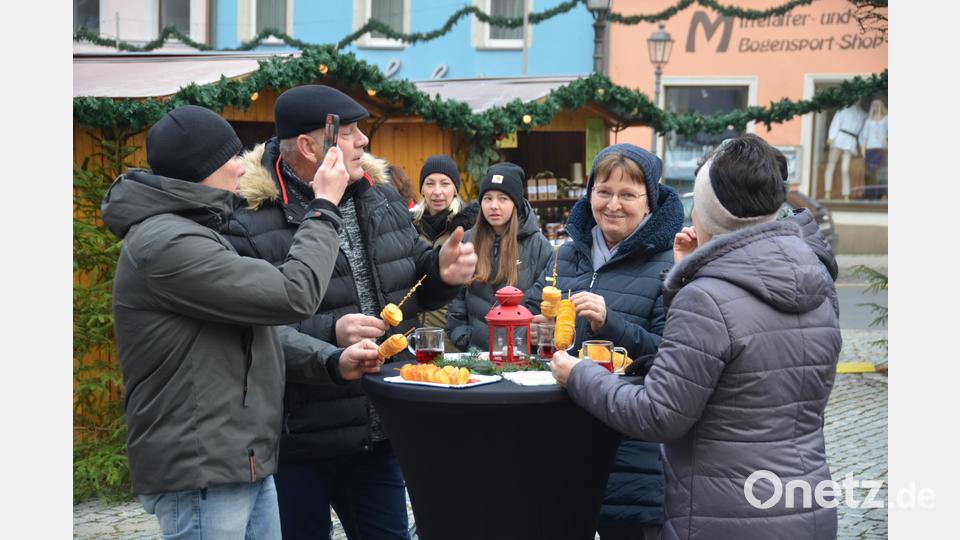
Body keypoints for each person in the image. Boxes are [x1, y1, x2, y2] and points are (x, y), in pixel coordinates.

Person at [102, 105, 384, 539]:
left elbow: (253, 333)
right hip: (201, 470)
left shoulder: (196, 231)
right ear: (201, 169)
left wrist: (331, 361)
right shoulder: (168, 242)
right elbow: (294, 295)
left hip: (238, 459)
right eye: (230, 157)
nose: (242, 167)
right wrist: (324, 204)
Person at [551, 134, 842, 540]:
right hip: (804, 502)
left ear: (708, 211)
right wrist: (688, 275)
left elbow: (659, 414)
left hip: (726, 514)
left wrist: (579, 374)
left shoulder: (706, 297)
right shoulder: (816, 281)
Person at [223, 85, 477, 540]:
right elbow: (250, 326)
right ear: (309, 146)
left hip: (380, 426)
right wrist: (329, 331)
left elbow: (412, 285)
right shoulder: (248, 218)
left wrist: (441, 272)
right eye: (352, 132)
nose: (364, 142)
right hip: (297, 436)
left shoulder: (377, 197)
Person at [525, 144, 683, 539]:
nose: (613, 204)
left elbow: (671, 357)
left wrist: (610, 324)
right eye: (603, 192)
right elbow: (528, 315)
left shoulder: (671, 267)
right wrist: (531, 330)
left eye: (628, 195)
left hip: (628, 446)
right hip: (560, 438)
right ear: (589, 193)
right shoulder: (565, 255)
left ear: (650, 203)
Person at [446, 162, 552, 351]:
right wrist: (465, 339)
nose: (494, 206)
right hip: (476, 356)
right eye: (488, 198)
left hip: (522, 355)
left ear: (516, 203)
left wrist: (527, 339)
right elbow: (456, 299)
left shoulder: (538, 245)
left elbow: (543, 302)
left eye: (503, 198)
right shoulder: (468, 240)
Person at [412, 154, 480, 347]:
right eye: (430, 183)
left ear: (455, 189)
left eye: (445, 183)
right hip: (414, 340)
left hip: (454, 341)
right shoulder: (409, 230)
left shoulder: (468, 230)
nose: (437, 192)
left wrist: (464, 336)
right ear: (422, 189)